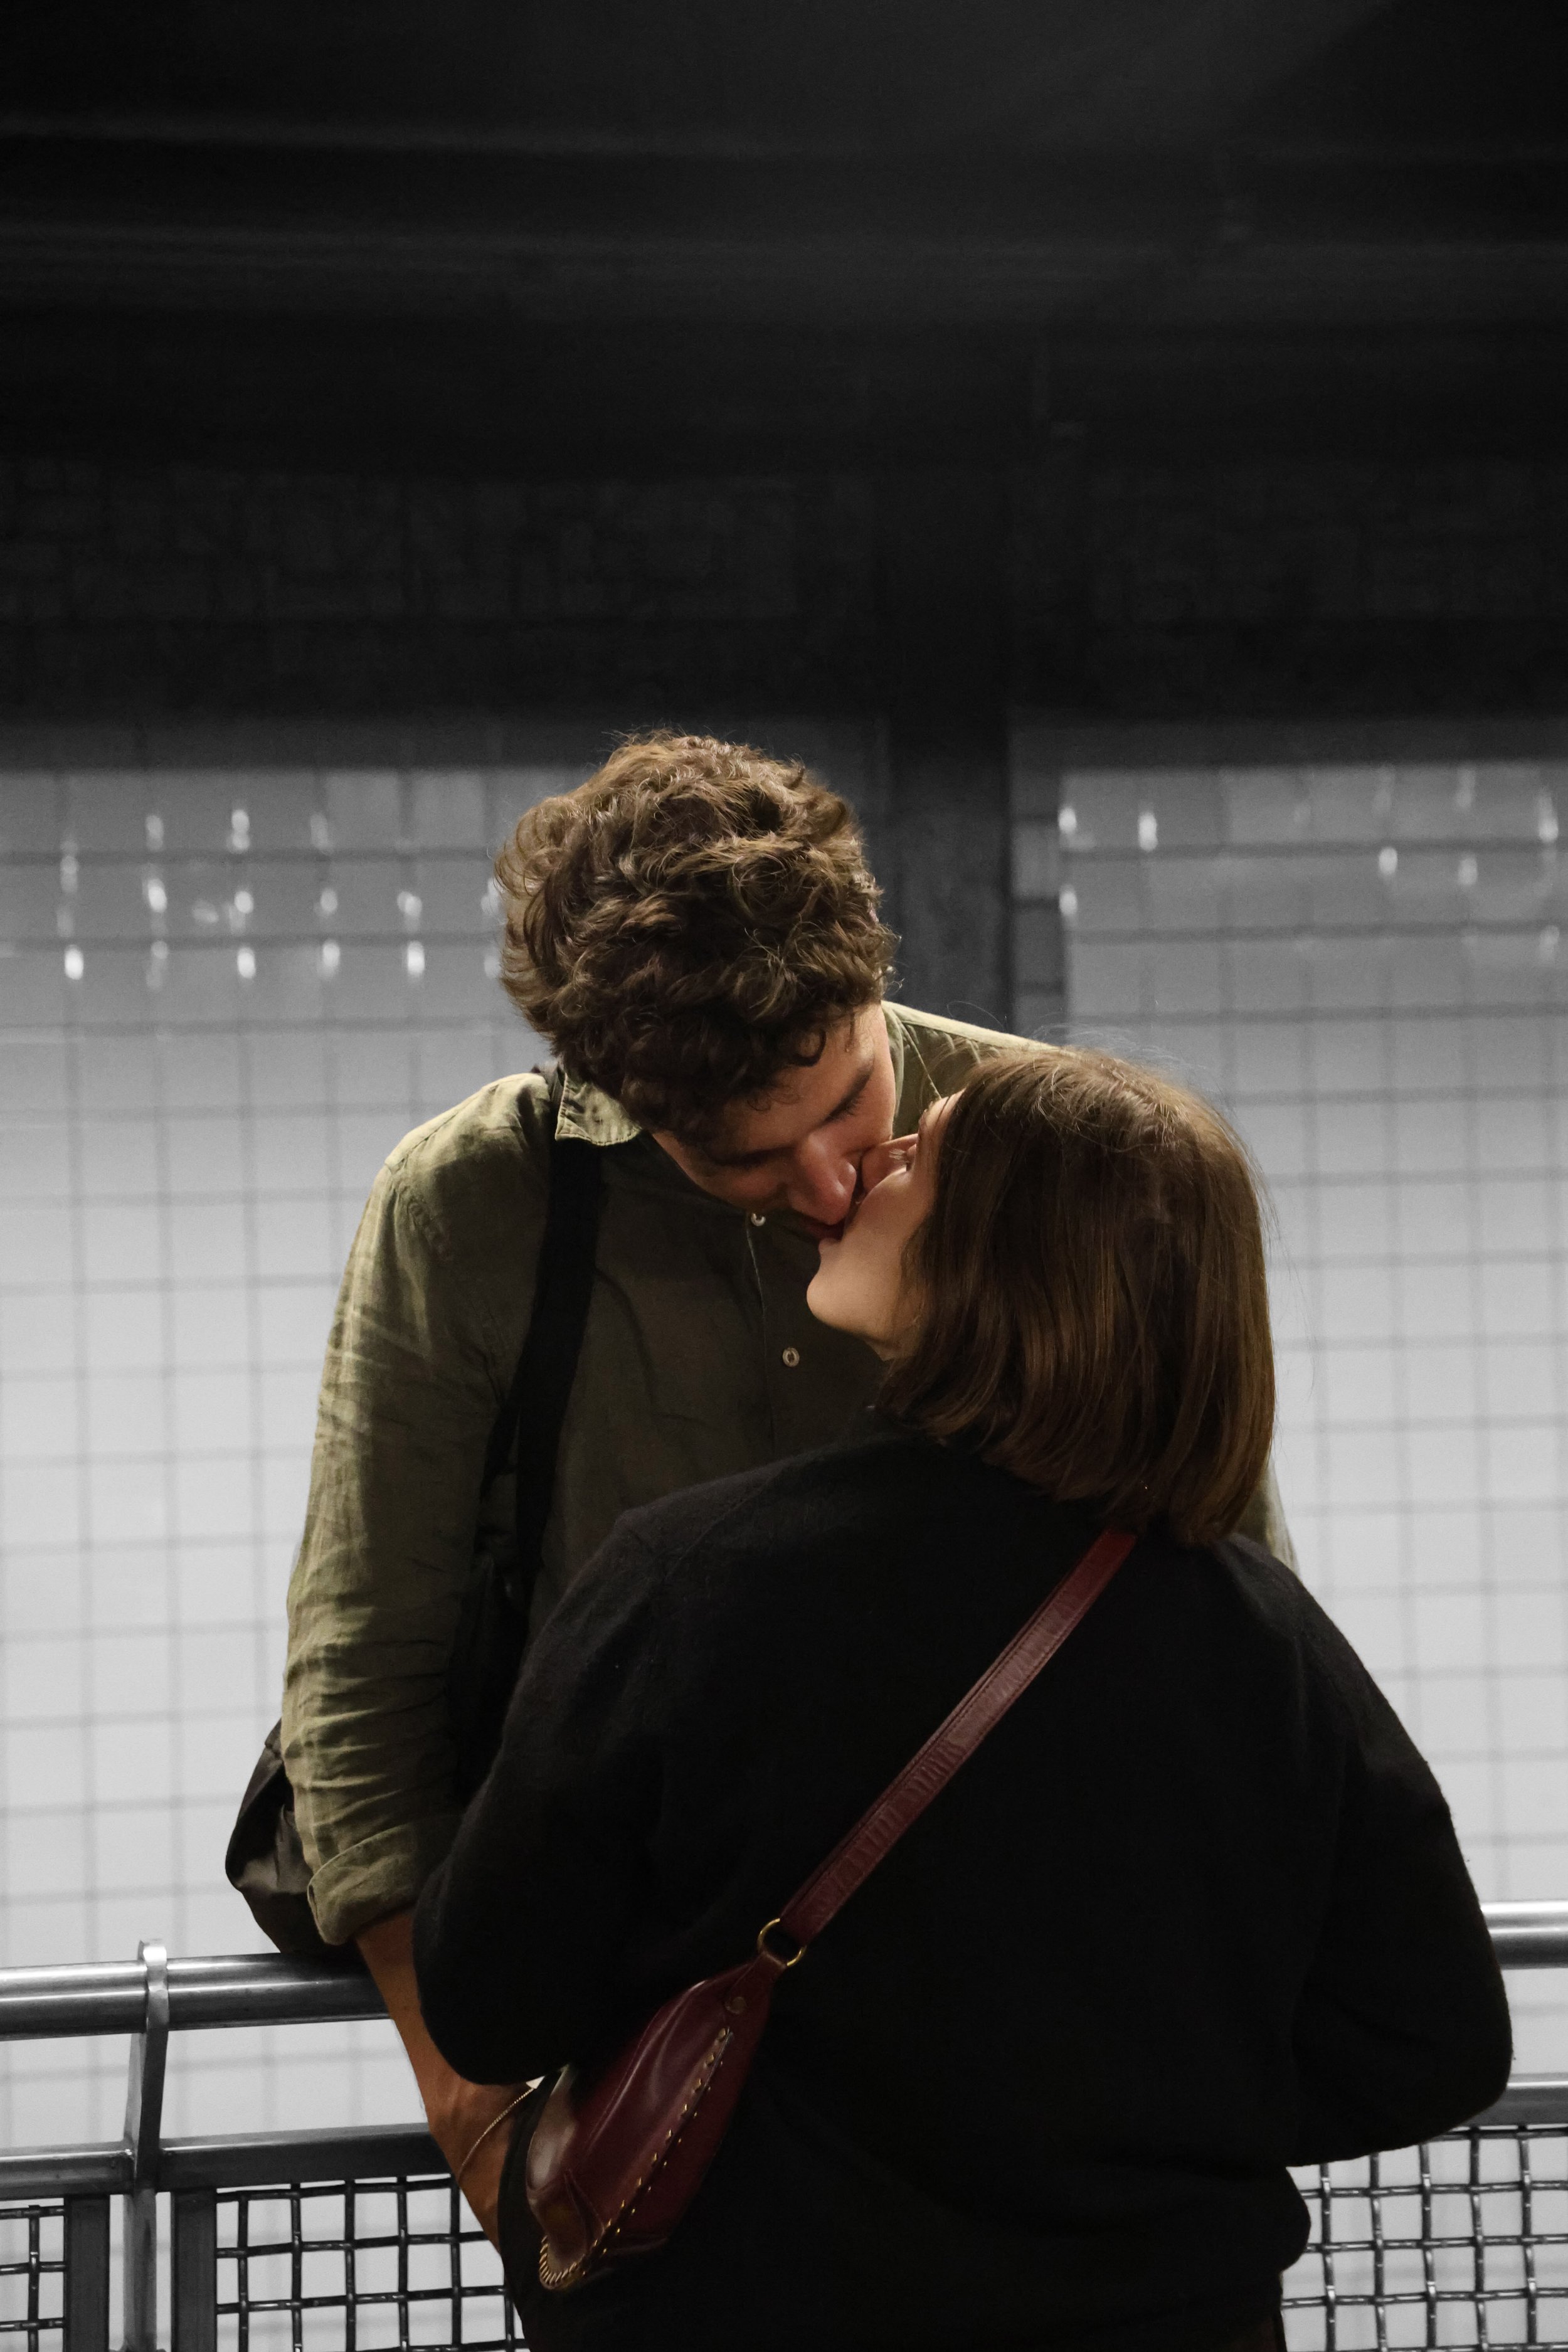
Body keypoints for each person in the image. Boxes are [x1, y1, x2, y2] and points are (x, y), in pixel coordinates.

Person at [281, 734, 1295, 2233]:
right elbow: (364, 1670)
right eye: (749, 1162)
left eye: (854, 1101)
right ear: (622, 1097)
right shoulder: (478, 1207)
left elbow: (1225, 1598)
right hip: (670, 2072)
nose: (830, 1186)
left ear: (875, 979)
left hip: (1045, 2040)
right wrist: (474, 2108)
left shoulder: (1041, 1150)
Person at [412, 1047, 1510, 2352]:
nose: (856, 1174)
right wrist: (1150, 2136)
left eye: (915, 1155)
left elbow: (487, 1998)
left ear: (993, 1253)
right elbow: (1437, 2039)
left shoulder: (692, 1579)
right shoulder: (1265, 1639)